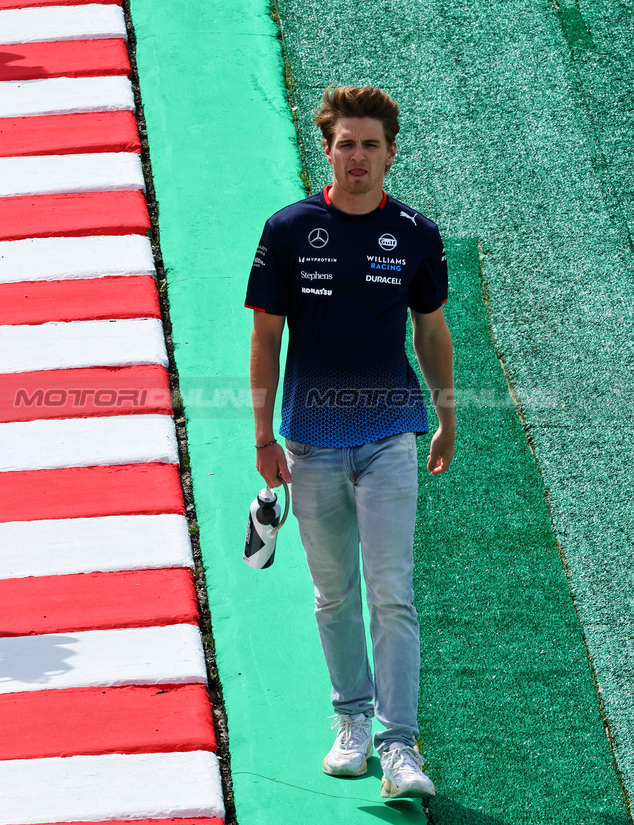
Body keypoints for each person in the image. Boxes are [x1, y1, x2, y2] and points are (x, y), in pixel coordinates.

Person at [246, 85, 454, 799]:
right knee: (335, 596)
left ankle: (400, 747)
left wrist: (448, 413)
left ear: (391, 153)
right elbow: (266, 336)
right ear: (327, 151)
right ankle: (352, 724)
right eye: (346, 144)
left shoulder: (419, 235)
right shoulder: (288, 229)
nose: (357, 157)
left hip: (391, 434)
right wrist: (263, 436)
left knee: (392, 593)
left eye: (370, 145)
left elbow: (430, 329)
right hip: (310, 443)